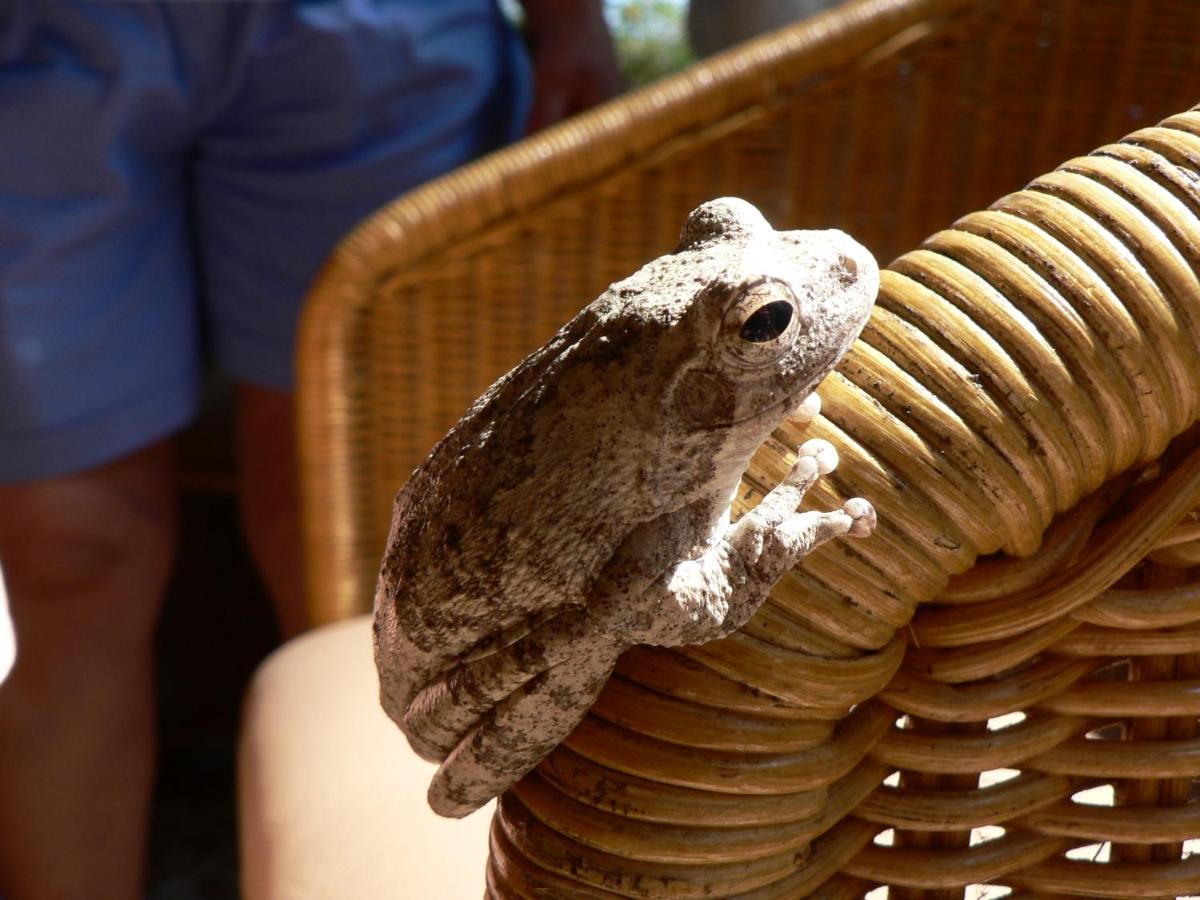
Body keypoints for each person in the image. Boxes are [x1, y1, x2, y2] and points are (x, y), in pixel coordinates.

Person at [0, 1, 618, 896]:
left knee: (372, 564)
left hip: (370, 40)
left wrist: (571, 16)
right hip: (40, 43)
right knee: (67, 558)